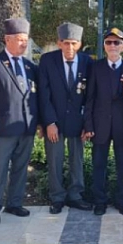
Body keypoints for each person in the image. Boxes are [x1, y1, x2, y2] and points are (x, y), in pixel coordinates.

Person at [0, 18, 39, 225]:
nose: (24, 44)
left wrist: (39, 122)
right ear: (7, 39)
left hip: (26, 126)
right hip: (3, 126)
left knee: (21, 167)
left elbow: (34, 96)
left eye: (26, 40)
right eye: (20, 39)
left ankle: (14, 202)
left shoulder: (30, 66)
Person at [38, 22, 93, 214]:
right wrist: (49, 122)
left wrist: (87, 124)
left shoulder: (87, 62)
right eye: (66, 43)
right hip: (55, 120)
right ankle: (57, 197)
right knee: (55, 160)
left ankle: (76, 195)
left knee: (77, 159)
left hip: (78, 121)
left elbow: (90, 96)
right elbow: (43, 94)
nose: (70, 47)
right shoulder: (47, 60)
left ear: (79, 44)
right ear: (59, 43)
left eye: (74, 43)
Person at [84, 28, 123, 216]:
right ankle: (100, 201)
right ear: (104, 46)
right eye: (109, 42)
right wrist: (88, 125)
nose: (112, 46)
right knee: (99, 165)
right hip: (100, 124)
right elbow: (90, 98)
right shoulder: (96, 67)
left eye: (117, 42)